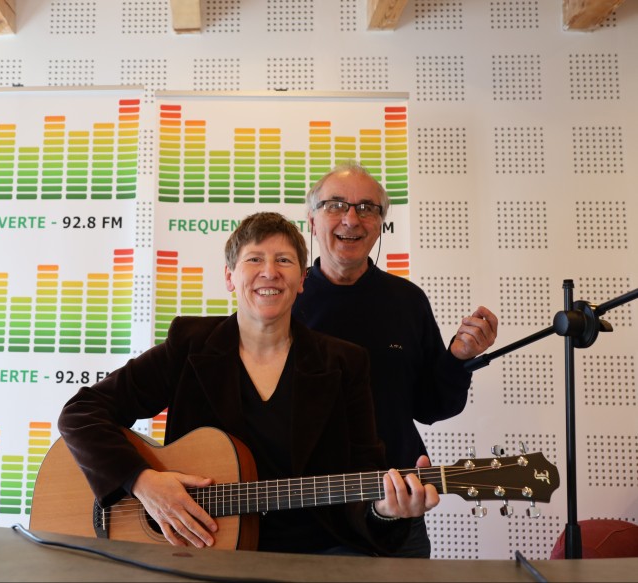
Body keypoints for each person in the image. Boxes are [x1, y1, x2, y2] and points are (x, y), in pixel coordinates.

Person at [57, 211, 439, 556]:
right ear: (229, 277)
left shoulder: (344, 363)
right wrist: (142, 482)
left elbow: (362, 477)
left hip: (316, 553)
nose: (269, 272)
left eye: (284, 260)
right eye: (254, 259)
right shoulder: (189, 345)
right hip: (204, 551)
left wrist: (385, 510)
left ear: (302, 280)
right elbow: (81, 413)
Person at [292, 161, 499, 558]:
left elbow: (431, 406)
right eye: (336, 205)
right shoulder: (284, 298)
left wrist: (458, 358)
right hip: (302, 510)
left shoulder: (407, 301)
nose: (352, 218)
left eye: (367, 208)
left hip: (395, 505)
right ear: (312, 220)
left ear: (380, 225)